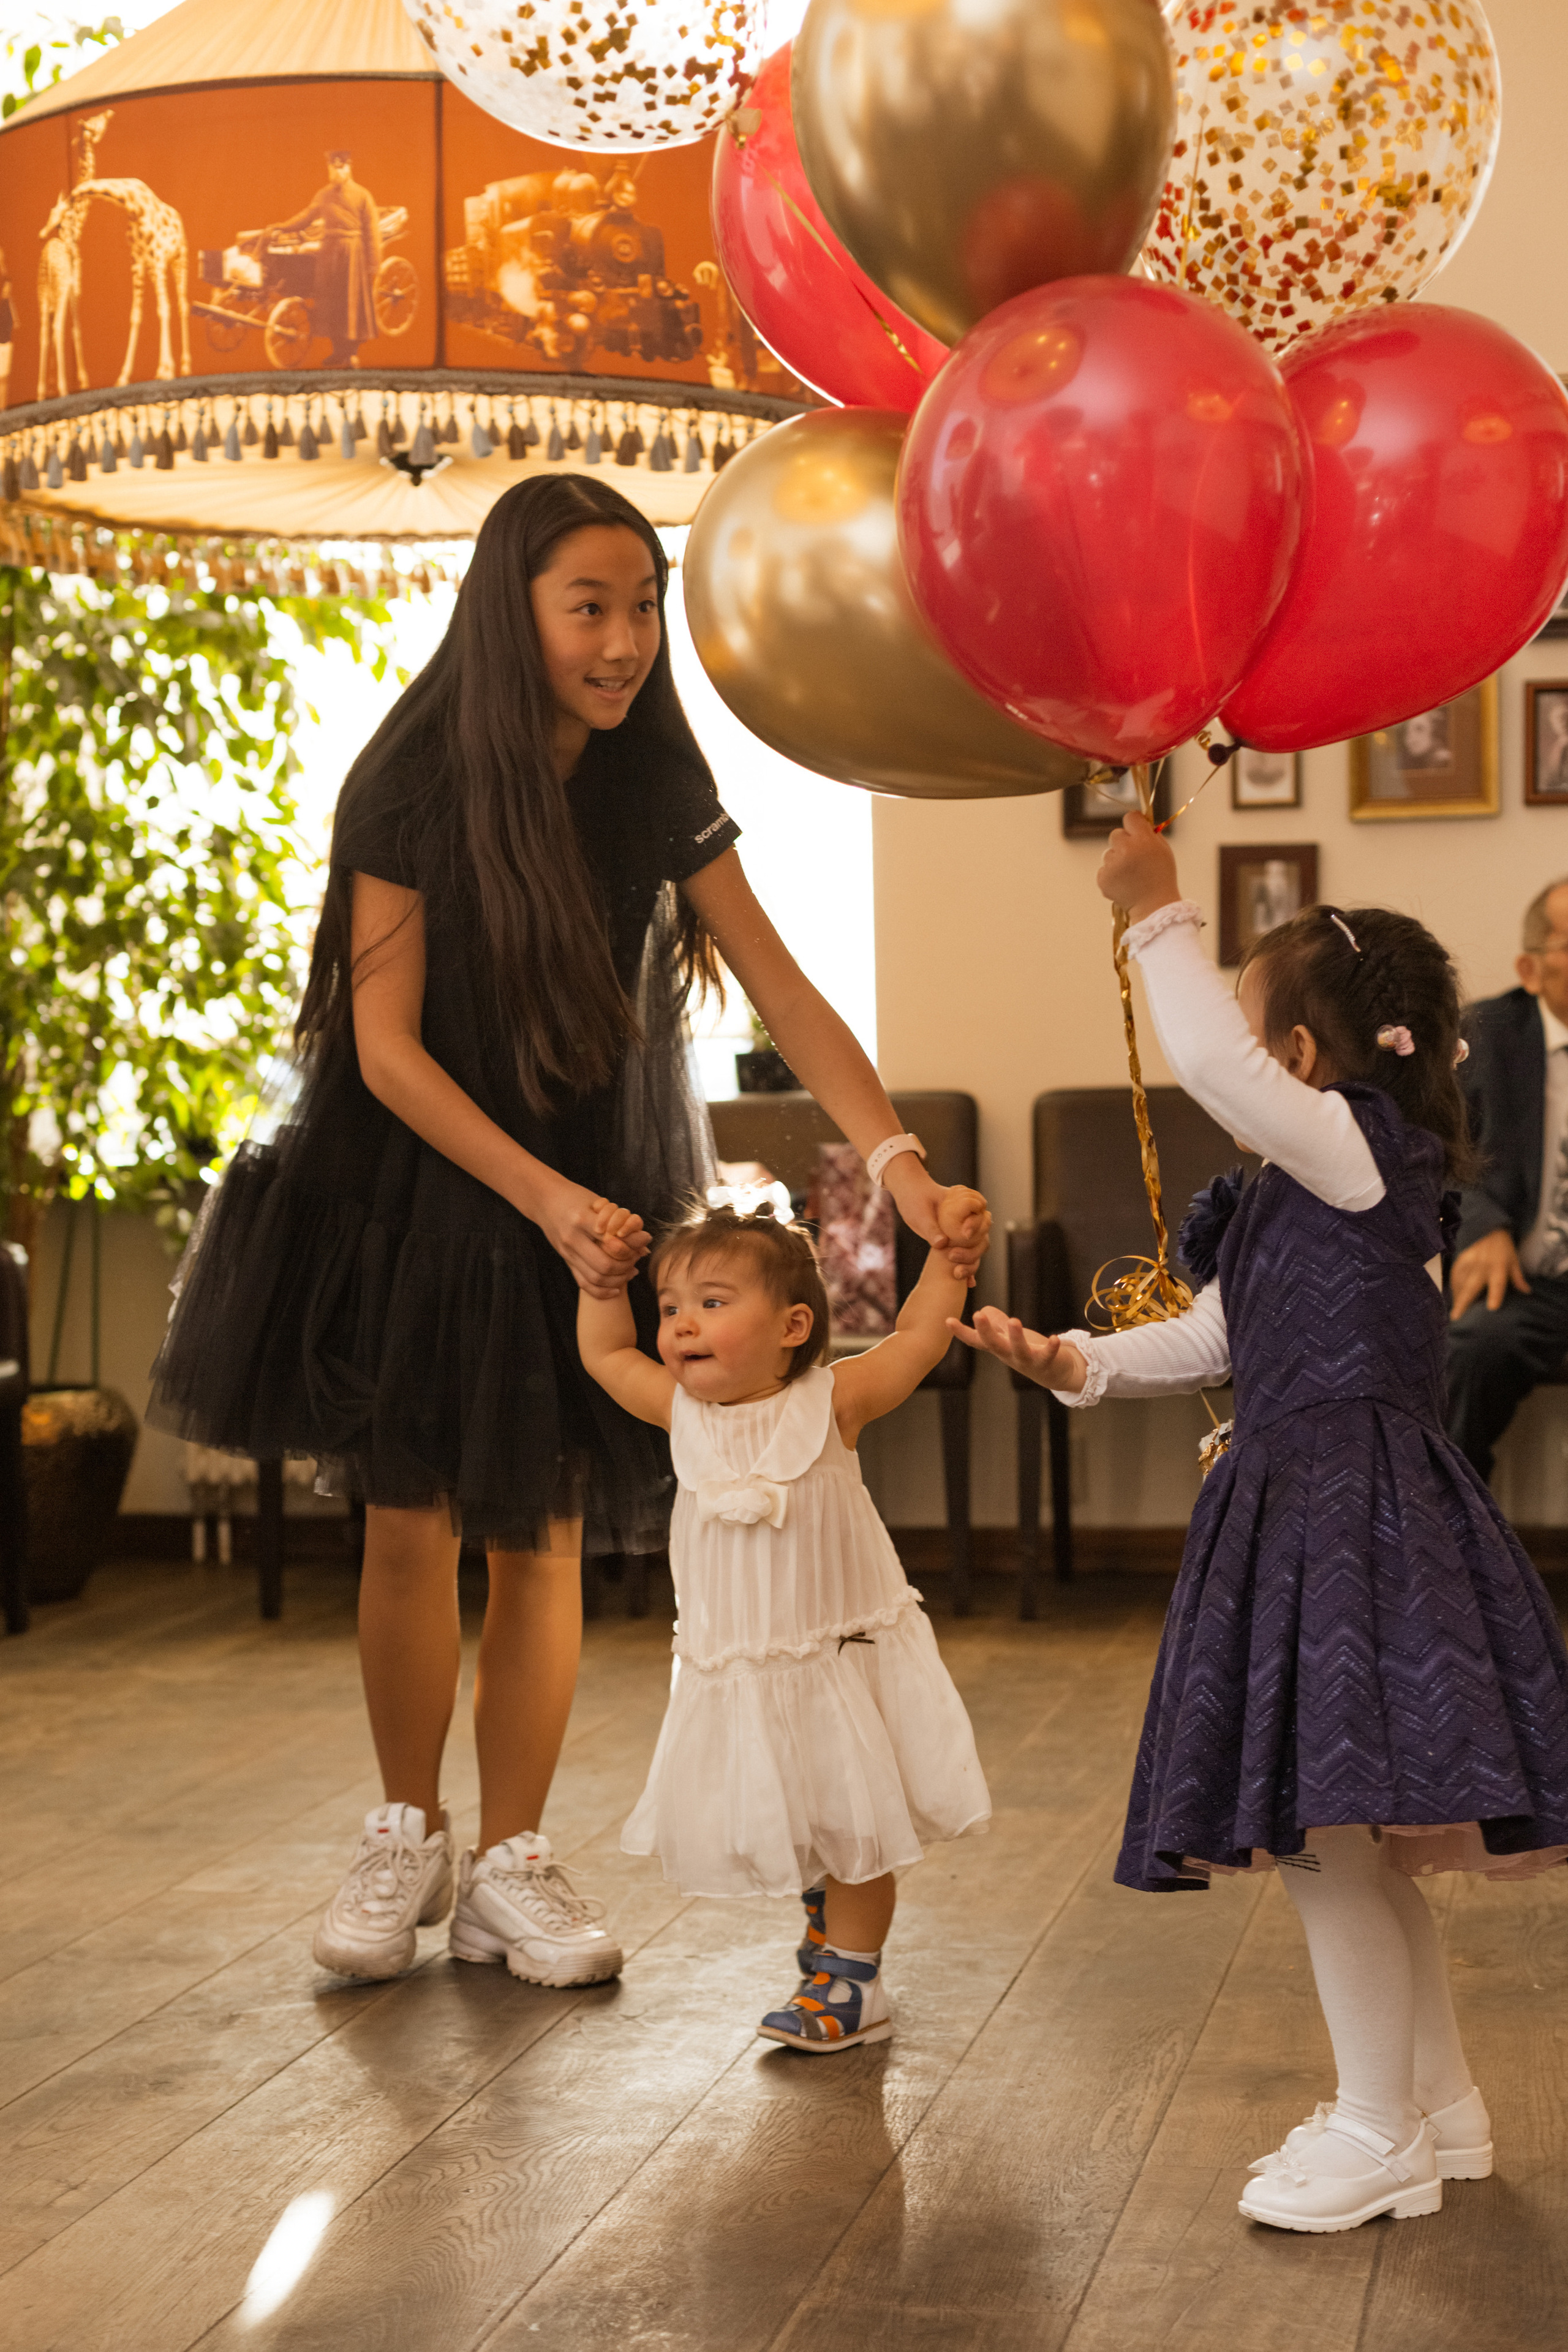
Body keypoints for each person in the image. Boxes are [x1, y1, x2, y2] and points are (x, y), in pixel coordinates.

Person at [148, 475, 989, 1991]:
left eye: (641, 604)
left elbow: (786, 991)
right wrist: (535, 1195)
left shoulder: (649, 768)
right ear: (511, 612)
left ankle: (509, 1863)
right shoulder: (407, 775)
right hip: (420, 1176)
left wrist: (899, 1164)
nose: (621, 641)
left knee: (535, 1527)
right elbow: (386, 1047)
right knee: (409, 1515)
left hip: (588, 1177)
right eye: (586, 607)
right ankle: (404, 1828)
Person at [956, 813, 1568, 2235]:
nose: (1230, 1053)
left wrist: (1153, 911)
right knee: (1341, 1838)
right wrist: (1081, 1359)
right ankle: (1436, 2105)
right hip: (1308, 1506)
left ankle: (1374, 2128)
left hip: (1345, 1521)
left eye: (1249, 1022)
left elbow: (1205, 1062)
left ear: (1298, 1059)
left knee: (1321, 1838)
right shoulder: (1296, 1198)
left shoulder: (1357, 1147)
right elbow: (1216, 1334)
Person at [576, 1200, 992, 2049]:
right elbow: (606, 1351)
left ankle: (853, 1981)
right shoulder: (677, 1411)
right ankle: (826, 1914)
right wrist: (605, 1282)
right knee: (798, 1807)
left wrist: (950, 1259)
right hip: (741, 1666)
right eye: (671, 1307)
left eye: (714, 1303)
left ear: (793, 1326)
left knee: (855, 1826)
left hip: (839, 1657)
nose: (684, 1324)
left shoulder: (831, 1402)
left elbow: (916, 1340)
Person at [1447, 875, 1568, 1482]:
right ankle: (1452, 1539)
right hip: (1526, 1286)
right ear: (1530, 968)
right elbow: (1436, 1153)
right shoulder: (1487, 1036)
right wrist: (1481, 1226)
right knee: (1470, 1347)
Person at [267, 151, 383, 366]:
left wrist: (374, 264)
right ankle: (338, 352)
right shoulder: (324, 195)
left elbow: (372, 232)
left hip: (353, 253)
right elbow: (306, 217)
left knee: (351, 304)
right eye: (332, 168)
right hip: (329, 253)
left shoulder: (363, 195)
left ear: (349, 168)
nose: (336, 172)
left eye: (340, 168)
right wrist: (282, 227)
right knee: (331, 304)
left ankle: (351, 353)